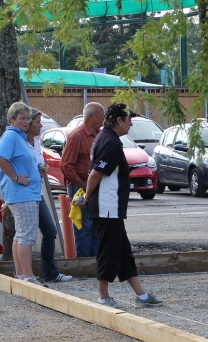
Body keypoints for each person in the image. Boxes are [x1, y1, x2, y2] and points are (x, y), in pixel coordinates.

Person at [80, 103, 163, 309]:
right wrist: (87, 196)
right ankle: (103, 297)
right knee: (109, 251)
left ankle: (141, 296)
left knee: (124, 251)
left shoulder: (105, 137)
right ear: (119, 120)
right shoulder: (111, 142)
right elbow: (95, 173)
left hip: (112, 207)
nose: (131, 123)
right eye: (129, 119)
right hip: (107, 206)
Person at [0, 102, 45, 285]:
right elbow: (0, 158)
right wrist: (16, 178)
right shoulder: (11, 136)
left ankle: (21, 274)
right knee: (27, 235)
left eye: (27, 118)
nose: (26, 122)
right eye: (22, 118)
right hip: (23, 193)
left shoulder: (19, 137)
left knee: (21, 234)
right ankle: (28, 276)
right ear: (12, 120)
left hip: (25, 193)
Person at [24, 108, 72, 283]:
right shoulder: (21, 143)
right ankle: (23, 274)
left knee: (50, 232)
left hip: (37, 192)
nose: (41, 125)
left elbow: (38, 163)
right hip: (25, 194)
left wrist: (42, 168)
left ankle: (49, 273)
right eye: (37, 122)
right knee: (24, 235)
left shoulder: (36, 142)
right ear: (28, 124)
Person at [61, 102, 104, 257]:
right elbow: (66, 165)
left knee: (95, 225)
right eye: (102, 115)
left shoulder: (99, 134)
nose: (104, 118)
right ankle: (84, 263)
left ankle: (95, 262)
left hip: (93, 186)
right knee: (84, 227)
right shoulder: (77, 136)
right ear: (91, 117)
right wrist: (82, 184)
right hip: (80, 187)